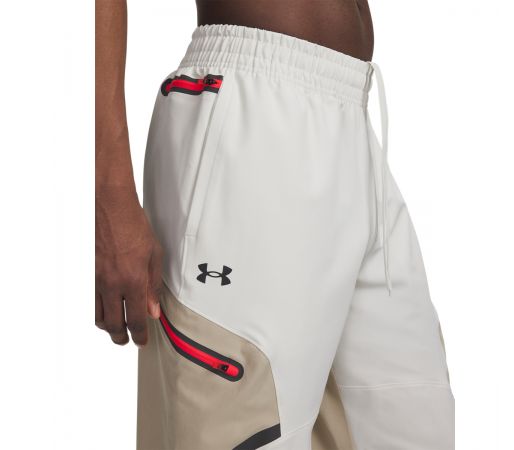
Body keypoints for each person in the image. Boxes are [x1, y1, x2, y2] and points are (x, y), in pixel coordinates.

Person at [95, 1, 455, 448]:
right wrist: (108, 192)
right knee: (246, 426)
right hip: (249, 108)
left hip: (353, 119)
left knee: (412, 421)